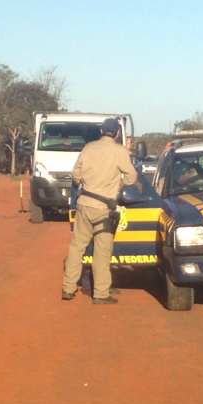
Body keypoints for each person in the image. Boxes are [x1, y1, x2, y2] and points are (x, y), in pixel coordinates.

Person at [61, 117, 137, 304]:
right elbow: (131, 176)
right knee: (102, 252)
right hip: (104, 208)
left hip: (84, 204)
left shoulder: (88, 148)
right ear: (117, 134)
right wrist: (117, 185)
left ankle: (68, 289)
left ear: (102, 132)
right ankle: (100, 293)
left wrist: (86, 186)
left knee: (77, 248)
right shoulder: (120, 151)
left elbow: (76, 174)